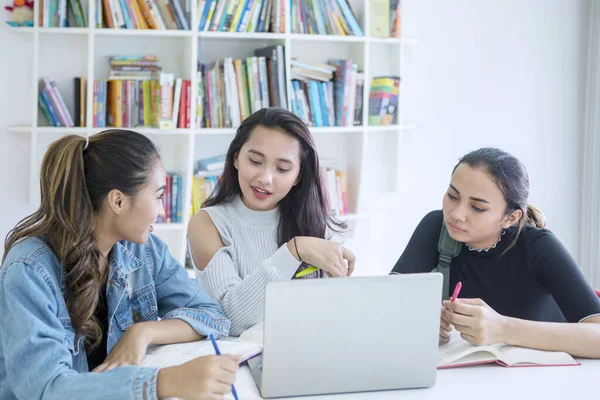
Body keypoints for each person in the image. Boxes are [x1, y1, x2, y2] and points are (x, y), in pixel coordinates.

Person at [0, 130, 240, 400]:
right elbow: (47, 390)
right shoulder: (29, 270)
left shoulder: (145, 251)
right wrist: (163, 383)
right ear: (118, 201)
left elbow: (213, 316)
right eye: (158, 196)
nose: (161, 211)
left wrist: (143, 332)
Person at [391, 147, 600, 357]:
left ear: (510, 218)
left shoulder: (539, 247)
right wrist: (419, 318)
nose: (456, 214)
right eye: (453, 196)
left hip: (541, 378)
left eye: (477, 208)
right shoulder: (436, 228)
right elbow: (387, 303)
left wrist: (502, 328)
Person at [188, 108, 356, 336]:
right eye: (255, 161)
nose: (265, 178)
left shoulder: (314, 221)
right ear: (236, 157)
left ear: (298, 176)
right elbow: (231, 320)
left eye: (282, 169)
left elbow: (333, 312)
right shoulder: (208, 224)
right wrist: (294, 251)